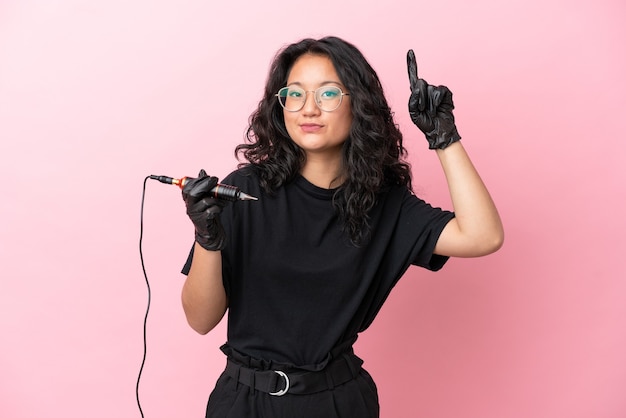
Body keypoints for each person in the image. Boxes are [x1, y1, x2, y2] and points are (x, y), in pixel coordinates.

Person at [179, 36, 503, 418]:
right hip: (244, 402)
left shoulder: (385, 204)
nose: (308, 109)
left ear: (358, 105)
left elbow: (484, 235)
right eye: (294, 94)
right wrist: (207, 238)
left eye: (328, 93)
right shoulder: (244, 190)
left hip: (337, 401)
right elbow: (201, 321)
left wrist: (443, 137)